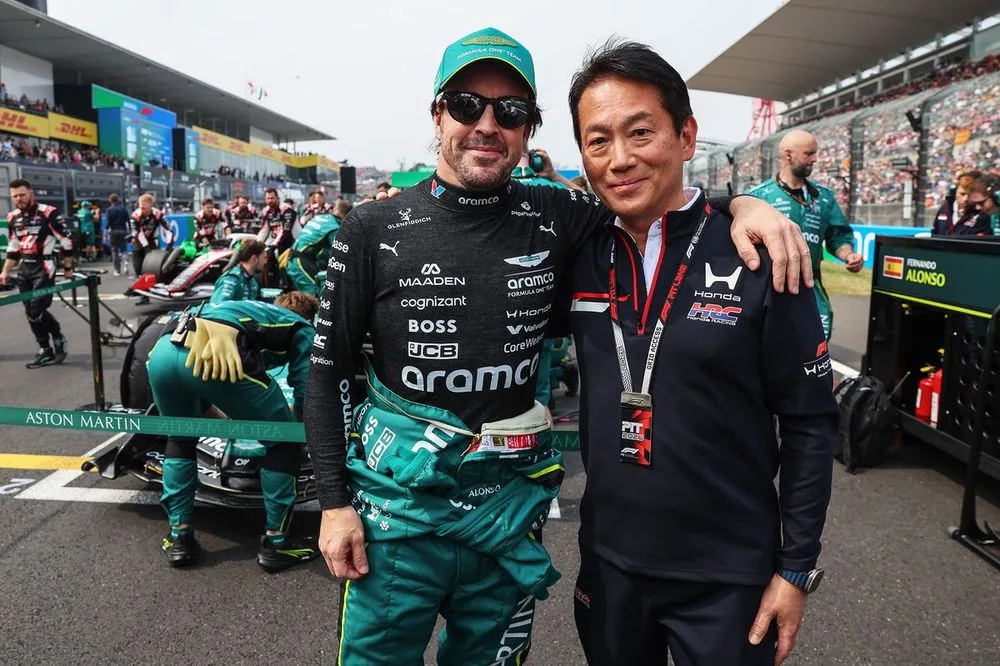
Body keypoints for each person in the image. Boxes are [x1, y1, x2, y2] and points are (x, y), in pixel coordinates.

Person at [304, 26, 810, 666]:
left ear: (528, 131)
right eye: (466, 105)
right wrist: (333, 504)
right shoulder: (370, 226)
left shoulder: (561, 215)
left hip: (506, 515)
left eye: (510, 112)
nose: (487, 124)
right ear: (438, 114)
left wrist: (744, 207)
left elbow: (660, 202)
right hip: (393, 517)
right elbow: (327, 373)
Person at [566, 40, 839, 666]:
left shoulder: (763, 255)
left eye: (641, 132)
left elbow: (811, 423)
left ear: (687, 136)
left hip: (728, 580)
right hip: (609, 569)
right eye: (598, 140)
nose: (620, 159)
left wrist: (796, 568)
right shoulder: (578, 250)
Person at [146, 292, 321, 570]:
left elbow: (191, 371)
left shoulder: (248, 306)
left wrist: (222, 417)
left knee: (180, 436)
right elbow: (306, 386)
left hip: (163, 351)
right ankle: (277, 544)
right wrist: (295, 427)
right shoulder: (302, 326)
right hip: (217, 351)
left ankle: (179, 537)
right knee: (284, 442)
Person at [747, 129, 862, 340]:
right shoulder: (758, 197)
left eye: (815, 153)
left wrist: (849, 255)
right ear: (788, 155)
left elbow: (838, 237)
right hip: (769, 288)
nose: (815, 159)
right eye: (809, 153)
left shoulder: (824, 198)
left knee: (816, 347)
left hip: (811, 288)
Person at [1, 179, 73, 368]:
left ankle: (58, 337)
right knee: (30, 312)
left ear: (31, 193)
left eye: (22, 194)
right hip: (25, 270)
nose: (19, 198)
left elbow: (66, 240)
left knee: (36, 310)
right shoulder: (12, 217)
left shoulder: (48, 212)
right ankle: (45, 349)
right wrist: (5, 272)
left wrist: (68, 268)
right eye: (15, 196)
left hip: (45, 268)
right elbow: (13, 247)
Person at [286, 201, 351, 296]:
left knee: (303, 298)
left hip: (293, 259)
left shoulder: (321, 217)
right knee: (312, 297)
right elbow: (340, 254)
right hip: (301, 263)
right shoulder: (334, 227)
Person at [257, 188, 297, 287]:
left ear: (278, 198)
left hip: (292, 242)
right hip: (277, 242)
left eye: (272, 198)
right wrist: (258, 244)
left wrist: (273, 246)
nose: (270, 200)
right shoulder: (266, 211)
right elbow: (264, 229)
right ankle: (270, 287)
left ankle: (287, 286)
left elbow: (285, 231)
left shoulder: (287, 209)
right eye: (268, 198)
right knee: (267, 258)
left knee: (283, 262)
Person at [130, 193, 174, 277]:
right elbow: (138, 233)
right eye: (140, 204)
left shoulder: (158, 214)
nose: (142, 206)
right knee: (138, 259)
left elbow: (168, 230)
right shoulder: (135, 215)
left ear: (151, 204)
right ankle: (138, 276)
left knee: (155, 263)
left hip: (152, 239)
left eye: (144, 204)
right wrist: (146, 247)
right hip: (138, 240)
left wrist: (169, 244)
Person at [210, 239, 266, 305]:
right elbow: (216, 309)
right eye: (265, 258)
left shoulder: (252, 282)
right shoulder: (231, 279)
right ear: (254, 259)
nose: (266, 262)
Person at [932, 170, 980, 235]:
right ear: (955, 192)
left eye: (969, 195)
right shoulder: (945, 208)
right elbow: (935, 231)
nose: (966, 199)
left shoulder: (978, 213)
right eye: (962, 194)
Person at [106, 193, 130, 276]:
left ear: (110, 200)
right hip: (123, 230)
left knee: (114, 250)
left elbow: (108, 222)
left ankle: (117, 270)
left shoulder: (109, 210)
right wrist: (129, 231)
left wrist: (106, 231)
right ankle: (126, 262)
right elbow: (128, 221)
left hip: (114, 231)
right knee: (124, 249)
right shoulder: (123, 209)